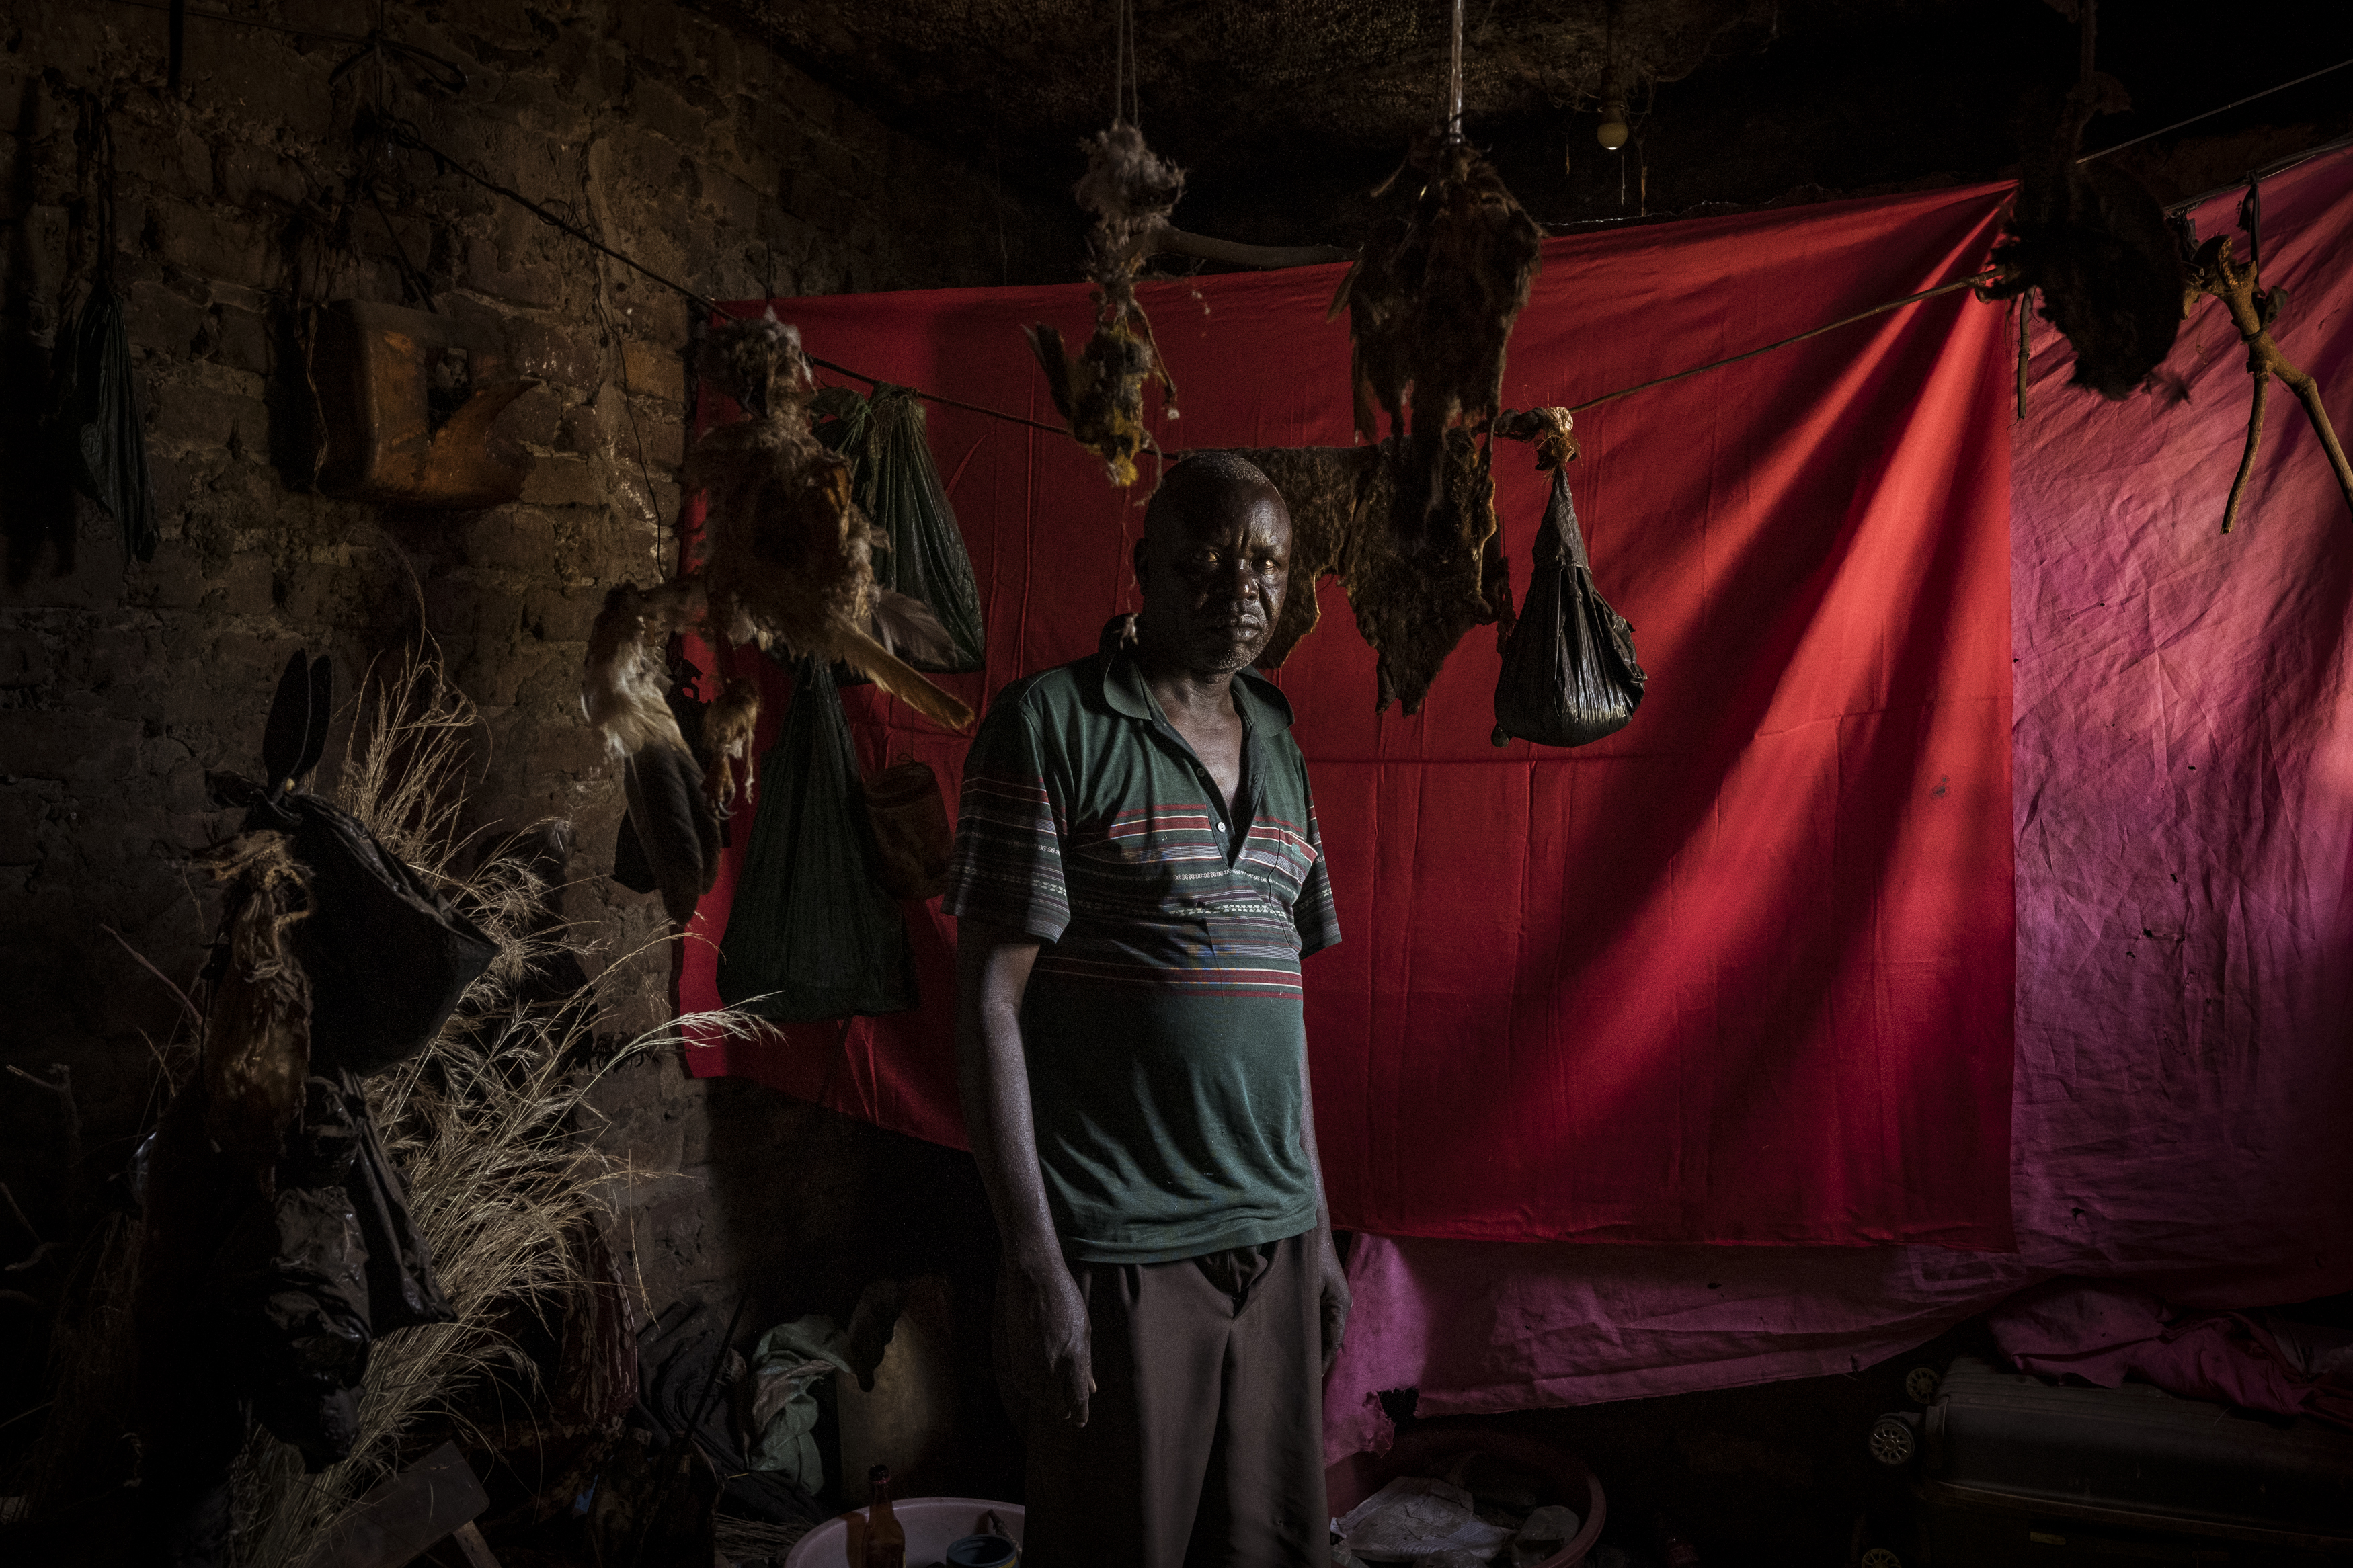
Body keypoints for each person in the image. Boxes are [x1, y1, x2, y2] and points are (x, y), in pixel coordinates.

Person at [944, 452, 1349, 1567]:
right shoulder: (1051, 725)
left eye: (1268, 564)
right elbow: (988, 1002)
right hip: (1124, 1247)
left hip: (1273, 1240)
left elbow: (1281, 1016)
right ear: (1146, 565)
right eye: (1209, 559)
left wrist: (1318, 1231)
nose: (1243, 589)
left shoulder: (1280, 742)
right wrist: (1035, 1260)